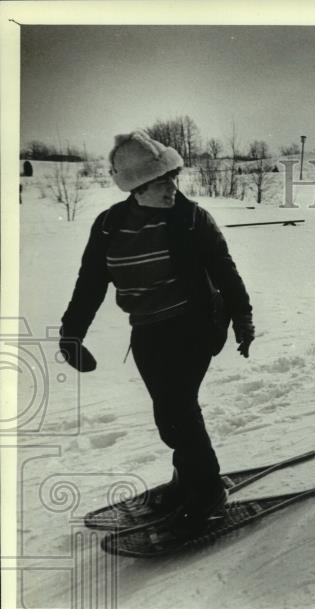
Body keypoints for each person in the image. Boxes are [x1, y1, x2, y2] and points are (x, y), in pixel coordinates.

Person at [59, 130, 255, 540]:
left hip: (195, 325)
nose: (172, 188)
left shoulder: (192, 219)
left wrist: (242, 318)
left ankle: (206, 492)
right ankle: (187, 479)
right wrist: (71, 334)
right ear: (137, 188)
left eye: (173, 178)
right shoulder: (109, 227)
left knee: (178, 409)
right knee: (168, 415)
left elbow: (224, 269)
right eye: (161, 182)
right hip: (147, 332)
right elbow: (90, 282)